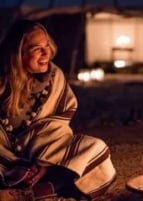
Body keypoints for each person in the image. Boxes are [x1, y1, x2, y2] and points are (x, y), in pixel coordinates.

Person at [0, 19, 116, 200]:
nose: (47, 52)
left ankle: (30, 193)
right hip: (5, 157)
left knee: (96, 149)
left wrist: (44, 162)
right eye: (37, 48)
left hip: (44, 151)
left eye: (47, 45)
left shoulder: (54, 77)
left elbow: (57, 121)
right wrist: (17, 162)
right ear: (18, 53)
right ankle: (48, 186)